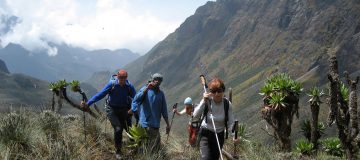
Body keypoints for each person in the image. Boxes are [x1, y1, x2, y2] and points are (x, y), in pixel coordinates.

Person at [81, 69, 136, 159]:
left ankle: (134, 148)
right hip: (111, 109)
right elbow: (100, 94)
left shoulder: (129, 86)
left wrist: (133, 109)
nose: (122, 80)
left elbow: (136, 98)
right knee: (118, 128)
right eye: (120, 78)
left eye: (124, 78)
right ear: (118, 77)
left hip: (124, 109)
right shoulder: (112, 85)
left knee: (129, 128)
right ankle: (118, 151)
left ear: (126, 78)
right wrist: (88, 104)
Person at [192, 78, 235, 160]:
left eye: (219, 91)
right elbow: (195, 116)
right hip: (205, 135)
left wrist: (234, 136)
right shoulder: (207, 102)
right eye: (214, 91)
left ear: (223, 91)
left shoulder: (227, 104)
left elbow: (231, 122)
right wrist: (203, 101)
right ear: (210, 92)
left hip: (219, 136)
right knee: (205, 158)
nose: (217, 94)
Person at [132, 73, 170, 152]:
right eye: (156, 80)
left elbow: (164, 110)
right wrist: (146, 89)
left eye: (159, 80)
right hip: (143, 124)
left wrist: (167, 124)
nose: (157, 82)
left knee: (153, 147)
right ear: (152, 80)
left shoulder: (161, 94)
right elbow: (136, 99)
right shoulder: (145, 89)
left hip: (154, 126)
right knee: (143, 146)